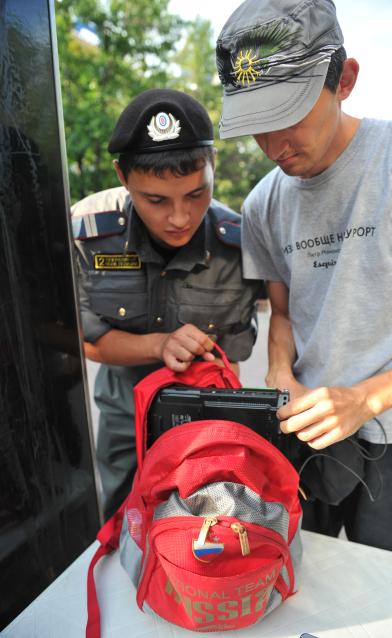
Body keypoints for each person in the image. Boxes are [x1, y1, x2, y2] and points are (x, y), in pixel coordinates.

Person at [215, 0, 392, 556]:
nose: (274, 146)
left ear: (345, 80)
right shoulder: (262, 204)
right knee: (307, 576)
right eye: (256, 126)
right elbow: (282, 313)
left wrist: (363, 399)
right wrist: (281, 374)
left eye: (289, 116)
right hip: (308, 432)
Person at [72, 89, 262, 520]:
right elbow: (84, 338)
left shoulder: (243, 242)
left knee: (206, 536)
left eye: (196, 195)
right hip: (125, 418)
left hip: (209, 420)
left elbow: (287, 317)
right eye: (156, 200)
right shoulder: (87, 232)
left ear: (212, 167)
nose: (179, 218)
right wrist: (159, 345)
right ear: (123, 176)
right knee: (122, 525)